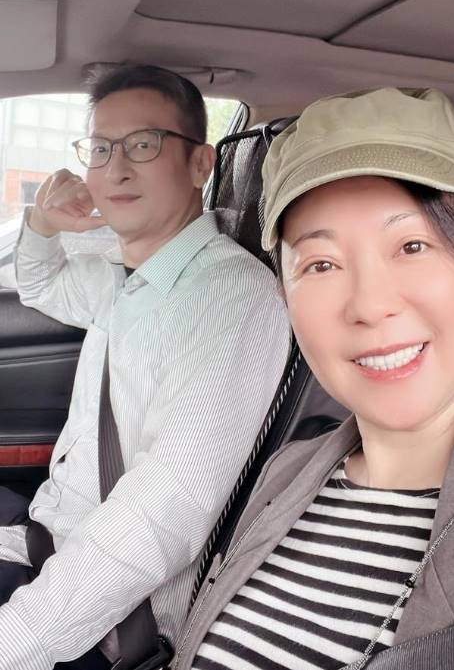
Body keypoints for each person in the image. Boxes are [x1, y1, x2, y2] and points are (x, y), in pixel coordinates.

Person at [0, 64, 291, 669]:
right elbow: (40, 283)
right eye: (101, 149)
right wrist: (42, 223)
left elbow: (163, 514)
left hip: (100, 619)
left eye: (143, 145)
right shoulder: (125, 274)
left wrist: (16, 639)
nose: (115, 169)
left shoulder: (230, 297)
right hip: (48, 541)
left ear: (201, 164)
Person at [173, 87, 454, 670]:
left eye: (412, 245)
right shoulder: (288, 470)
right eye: (321, 264)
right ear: (284, 294)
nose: (370, 304)